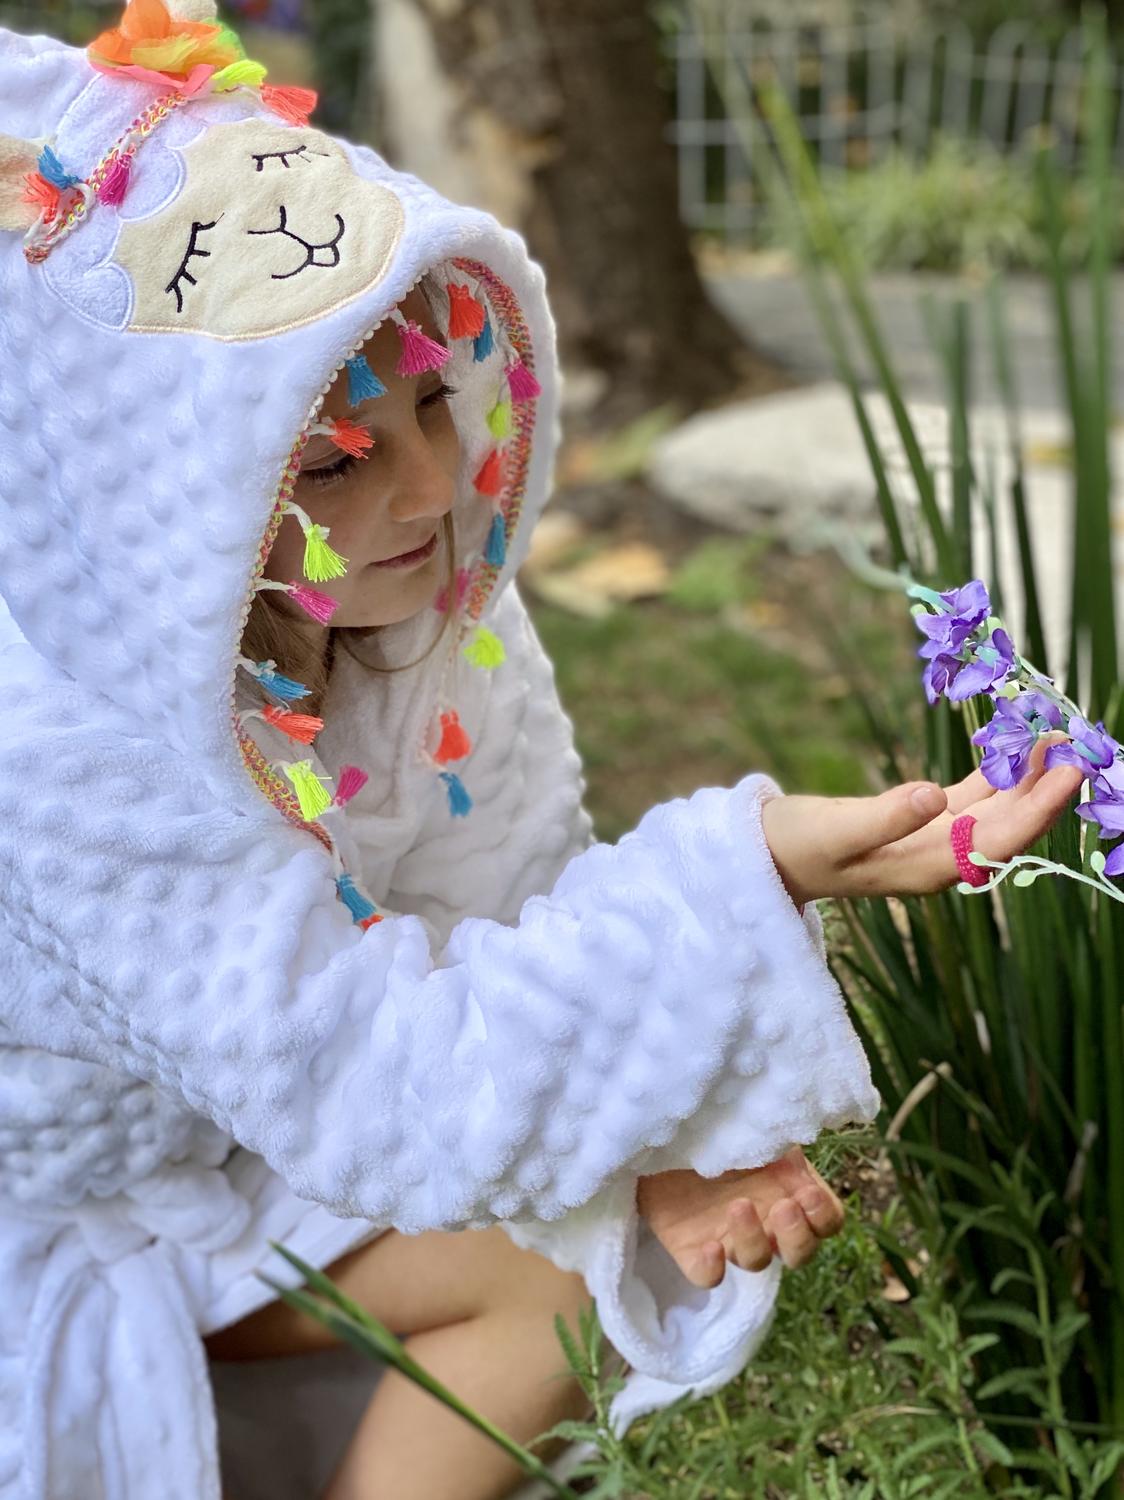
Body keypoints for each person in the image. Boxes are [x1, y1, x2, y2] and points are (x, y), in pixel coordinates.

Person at [0, 6, 1083, 1499]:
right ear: (163, 502)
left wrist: (654, 1133)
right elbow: (377, 1080)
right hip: (63, 1209)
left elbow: (507, 914)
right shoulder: (70, 749)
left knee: (586, 1237)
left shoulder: (420, 619)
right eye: (327, 458)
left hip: (252, 1144)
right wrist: (750, 867)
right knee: (547, 1282)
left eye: (439, 399)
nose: (437, 486)